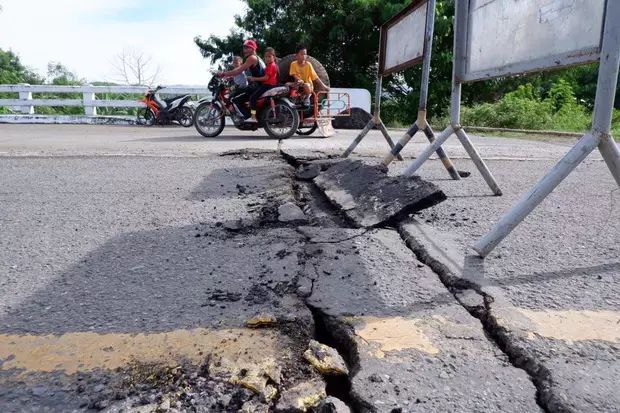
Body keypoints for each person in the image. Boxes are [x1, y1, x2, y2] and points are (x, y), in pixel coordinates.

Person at [217, 39, 265, 120]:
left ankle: (249, 117)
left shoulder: (252, 58)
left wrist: (223, 73)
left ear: (253, 48)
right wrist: (230, 76)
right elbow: (241, 72)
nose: (244, 50)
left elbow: (238, 70)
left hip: (258, 86)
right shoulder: (256, 58)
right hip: (259, 84)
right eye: (244, 48)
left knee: (234, 98)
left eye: (247, 48)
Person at [247, 47, 279, 122]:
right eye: (265, 57)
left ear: (274, 57)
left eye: (269, 57)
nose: (267, 58)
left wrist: (253, 78)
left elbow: (265, 78)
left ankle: (253, 116)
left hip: (267, 86)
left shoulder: (271, 66)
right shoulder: (272, 65)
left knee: (253, 98)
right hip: (270, 85)